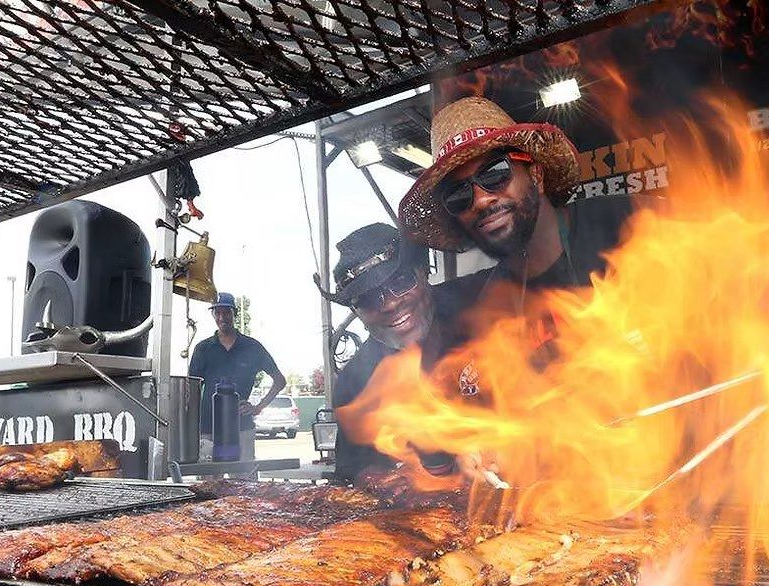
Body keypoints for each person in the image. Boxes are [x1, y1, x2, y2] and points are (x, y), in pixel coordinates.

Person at [398, 95, 631, 293]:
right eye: (457, 195)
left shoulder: (631, 221)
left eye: (494, 173)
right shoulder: (496, 307)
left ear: (536, 175)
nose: (480, 200)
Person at [320, 223, 484, 485]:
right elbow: (354, 477)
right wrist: (406, 478)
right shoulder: (355, 387)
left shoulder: (483, 299)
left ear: (423, 272)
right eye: (367, 299)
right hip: (433, 517)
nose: (390, 303)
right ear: (357, 313)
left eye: (401, 280)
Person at [188, 292, 285, 463]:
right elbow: (191, 388)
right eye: (217, 313)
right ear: (213, 315)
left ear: (234, 314)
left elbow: (280, 381)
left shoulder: (252, 347)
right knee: (209, 483)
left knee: (244, 483)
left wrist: (258, 407)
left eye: (226, 312)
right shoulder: (203, 349)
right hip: (208, 428)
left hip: (242, 427)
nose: (221, 317)